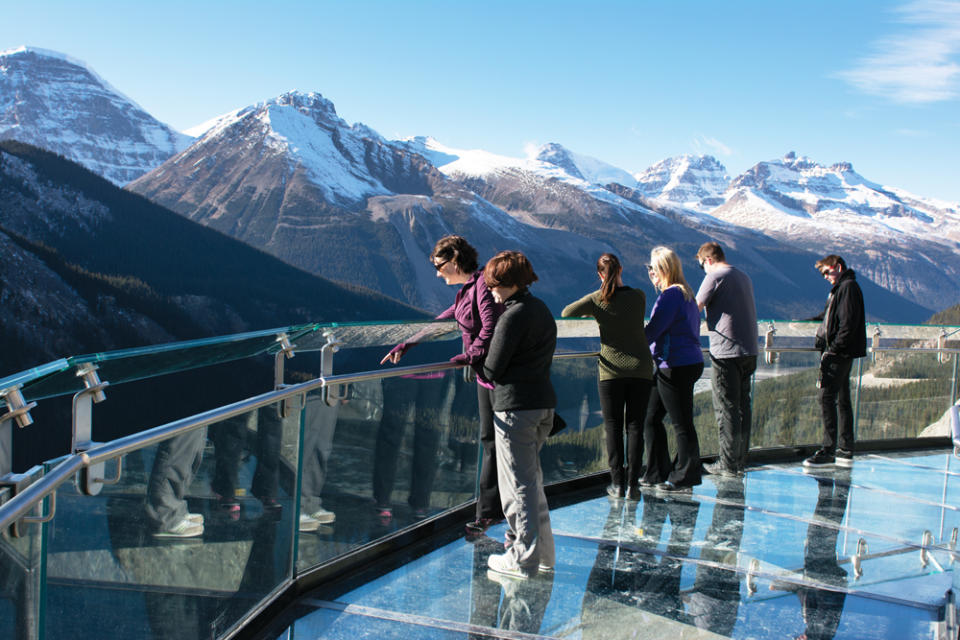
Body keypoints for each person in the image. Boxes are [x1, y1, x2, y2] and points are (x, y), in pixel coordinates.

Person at [381, 235, 504, 533]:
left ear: (454, 261)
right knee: (490, 444)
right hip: (485, 377)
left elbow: (490, 327)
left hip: (497, 377)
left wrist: (468, 355)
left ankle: (491, 512)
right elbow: (447, 318)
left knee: (496, 446)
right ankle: (491, 510)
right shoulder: (469, 289)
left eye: (439, 265)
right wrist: (410, 342)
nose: (436, 272)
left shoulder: (482, 288)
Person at [481, 251, 557, 580]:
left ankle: (522, 558)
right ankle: (545, 556)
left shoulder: (512, 317)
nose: (491, 290)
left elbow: (491, 368)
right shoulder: (541, 309)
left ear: (510, 283)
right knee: (533, 482)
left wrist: (471, 361)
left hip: (515, 409)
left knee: (518, 487)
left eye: (495, 284)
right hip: (542, 405)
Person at [561, 253, 654, 501]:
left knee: (612, 427)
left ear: (599, 274)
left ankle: (617, 484)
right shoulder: (639, 296)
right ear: (621, 269)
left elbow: (567, 311)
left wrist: (594, 308)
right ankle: (634, 485)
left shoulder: (597, 299)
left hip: (611, 370)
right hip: (641, 369)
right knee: (635, 427)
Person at [643, 246, 705, 492]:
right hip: (686, 361)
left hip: (674, 365)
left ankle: (685, 476)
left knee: (680, 422)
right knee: (652, 417)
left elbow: (655, 329)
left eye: (652, 269)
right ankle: (658, 471)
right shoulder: (686, 293)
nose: (650, 274)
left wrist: (631, 344)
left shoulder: (670, 296)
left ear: (662, 270)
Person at [694, 241, 759, 477]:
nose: (704, 270)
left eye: (702, 265)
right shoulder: (743, 276)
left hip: (726, 352)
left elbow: (694, 308)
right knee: (743, 407)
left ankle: (728, 464)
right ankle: (740, 459)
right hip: (749, 350)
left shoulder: (715, 276)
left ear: (708, 260)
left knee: (726, 409)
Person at [803, 255, 866, 468]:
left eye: (827, 272)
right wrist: (811, 321)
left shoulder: (847, 287)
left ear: (837, 267)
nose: (826, 277)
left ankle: (828, 450)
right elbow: (832, 316)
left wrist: (834, 350)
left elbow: (847, 323)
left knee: (826, 397)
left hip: (838, 353)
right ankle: (845, 447)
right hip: (842, 352)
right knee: (841, 398)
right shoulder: (844, 287)